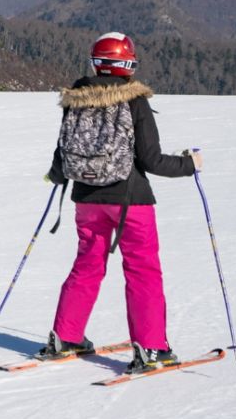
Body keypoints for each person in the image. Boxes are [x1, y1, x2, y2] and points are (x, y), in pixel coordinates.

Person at [35, 31, 201, 374]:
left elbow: (63, 151)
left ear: (97, 62)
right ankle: (152, 348)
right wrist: (189, 165)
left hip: (86, 200)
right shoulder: (134, 101)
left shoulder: (75, 99)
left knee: (87, 266)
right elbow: (152, 160)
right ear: (127, 64)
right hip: (131, 203)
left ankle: (65, 337)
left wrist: (56, 176)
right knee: (143, 271)